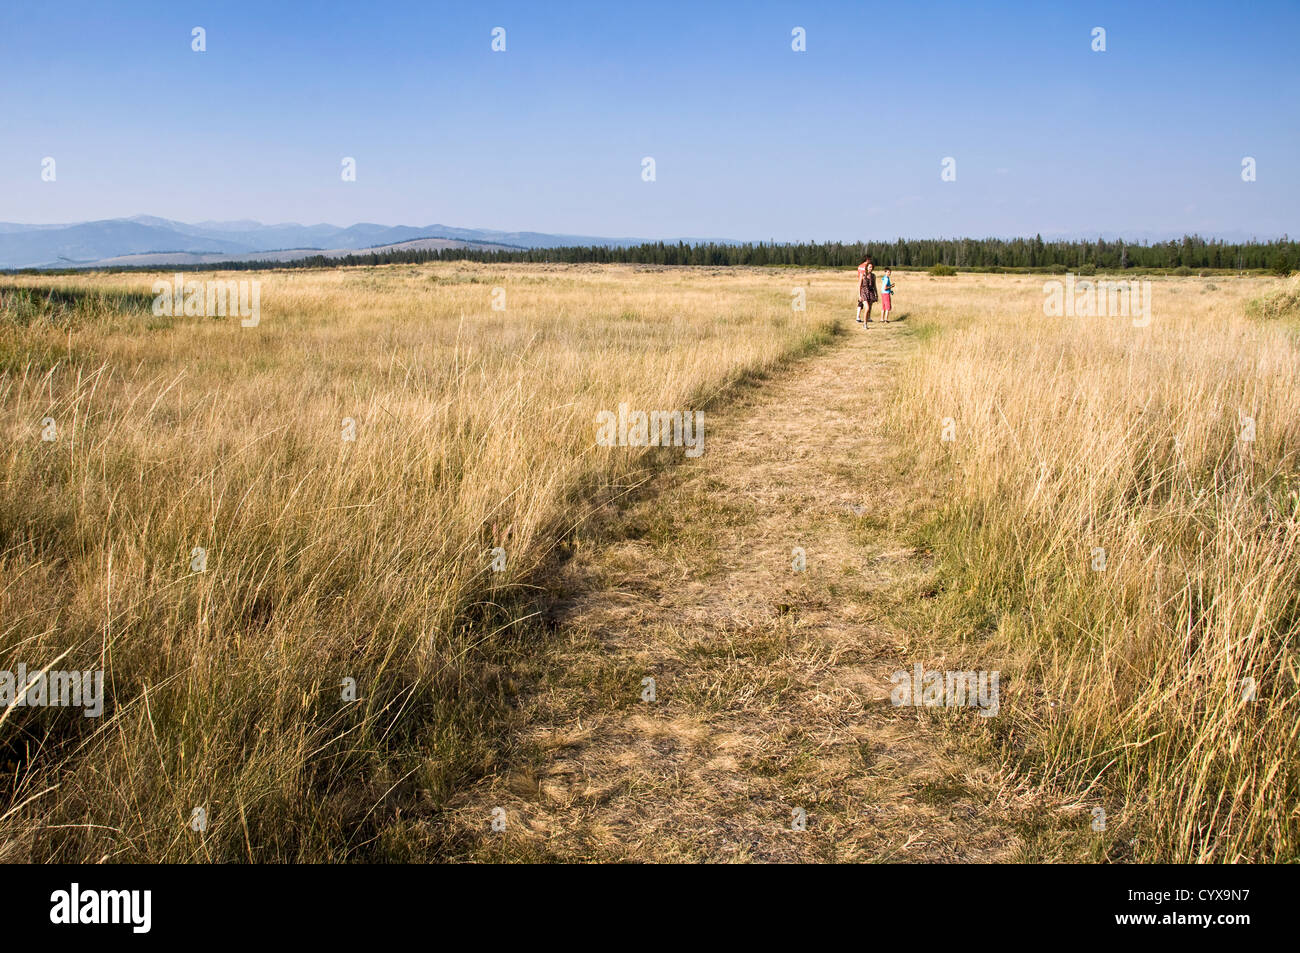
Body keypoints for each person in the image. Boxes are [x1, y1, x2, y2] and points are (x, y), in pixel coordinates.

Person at [855, 256, 878, 325]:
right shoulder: (863, 271)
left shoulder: (873, 275)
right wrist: (859, 295)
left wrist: (876, 294)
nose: (870, 268)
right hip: (864, 291)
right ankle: (862, 319)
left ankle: (864, 319)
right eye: (869, 267)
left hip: (870, 292)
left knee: (868, 307)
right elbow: (860, 284)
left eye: (871, 267)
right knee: (866, 307)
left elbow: (874, 285)